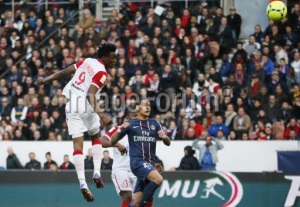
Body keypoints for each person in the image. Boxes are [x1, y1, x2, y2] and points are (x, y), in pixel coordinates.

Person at [36, 43, 117, 202]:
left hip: (72, 103)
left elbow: (67, 71)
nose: (115, 60)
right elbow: (90, 94)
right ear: (105, 57)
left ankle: (82, 183)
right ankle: (97, 172)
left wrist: (47, 79)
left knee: (77, 145)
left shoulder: (87, 61)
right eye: (113, 57)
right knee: (95, 137)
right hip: (86, 103)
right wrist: (101, 115)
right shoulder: (102, 73)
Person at [110, 98, 171, 207]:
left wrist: (164, 137)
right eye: (145, 105)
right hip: (137, 163)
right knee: (158, 179)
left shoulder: (154, 123)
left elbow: (168, 143)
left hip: (149, 164)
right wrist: (120, 130)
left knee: (135, 203)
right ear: (138, 108)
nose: (148, 107)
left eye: (149, 105)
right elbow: (112, 141)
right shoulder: (130, 124)